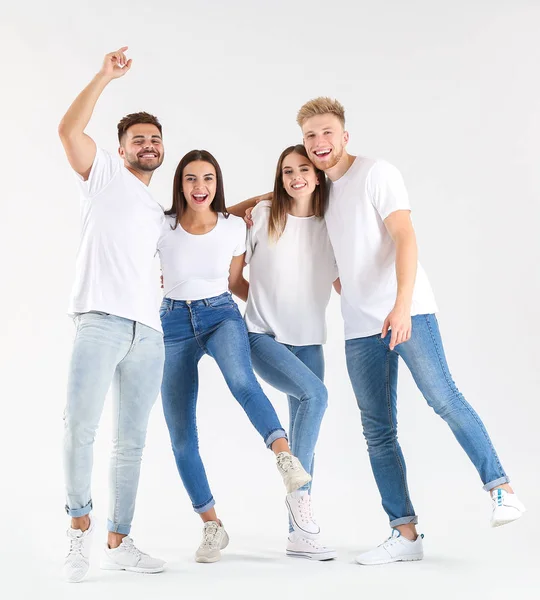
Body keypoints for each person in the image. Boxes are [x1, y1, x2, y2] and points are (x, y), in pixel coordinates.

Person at [295, 97, 526, 565]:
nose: (319, 143)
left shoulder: (376, 173)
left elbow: (405, 236)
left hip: (408, 314)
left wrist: (400, 307)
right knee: (377, 430)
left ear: (344, 136)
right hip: (360, 328)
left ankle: (501, 490)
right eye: (310, 136)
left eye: (326, 132)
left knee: (444, 397)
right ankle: (405, 535)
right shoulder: (320, 194)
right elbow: (290, 216)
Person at [158, 149, 313, 564]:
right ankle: (212, 526)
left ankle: (284, 457)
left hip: (220, 315)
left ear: (217, 184)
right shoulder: (163, 225)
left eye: (207, 179)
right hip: (172, 323)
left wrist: (276, 314)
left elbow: (234, 281)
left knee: (242, 381)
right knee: (180, 433)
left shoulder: (232, 227)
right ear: (180, 184)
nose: (199, 187)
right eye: (191, 179)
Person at [58, 47, 166, 582]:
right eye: (138, 139)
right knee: (80, 425)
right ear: (122, 150)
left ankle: (120, 540)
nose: (148, 145)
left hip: (149, 333)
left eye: (154, 139)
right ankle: (77, 537)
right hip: (99, 320)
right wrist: (104, 76)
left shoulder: (159, 212)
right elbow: (68, 131)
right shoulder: (102, 174)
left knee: (132, 440)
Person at [227, 145, 339, 560]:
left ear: (318, 174)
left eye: (303, 169)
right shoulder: (262, 215)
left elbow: (344, 283)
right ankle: (300, 503)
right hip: (262, 336)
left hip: (311, 342)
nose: (296, 177)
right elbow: (234, 279)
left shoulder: (332, 224)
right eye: (287, 171)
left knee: (305, 435)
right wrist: (263, 306)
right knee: (317, 396)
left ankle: (299, 535)